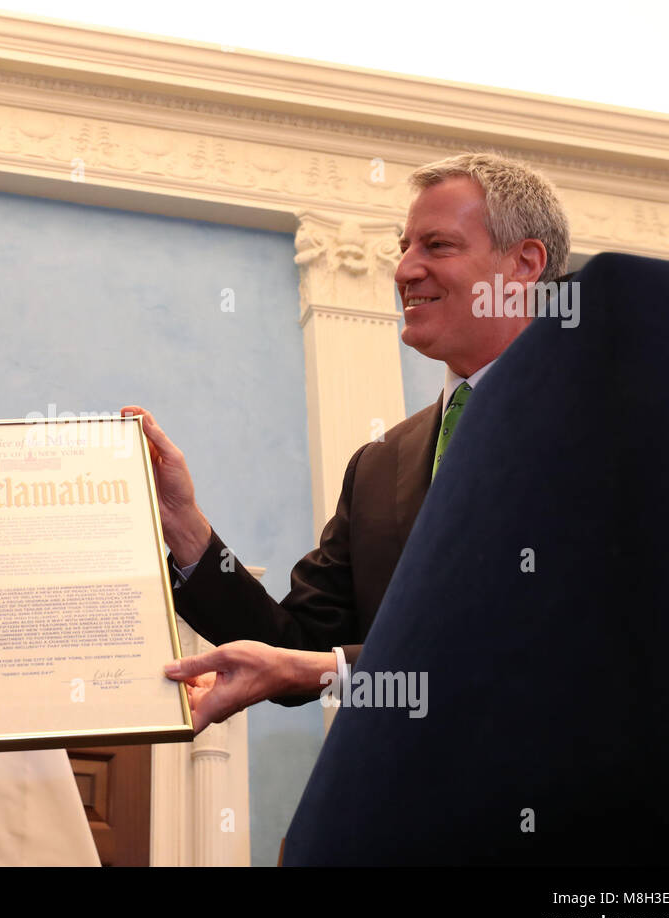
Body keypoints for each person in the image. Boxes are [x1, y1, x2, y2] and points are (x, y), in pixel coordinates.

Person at [125, 153, 571, 732]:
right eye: (405, 246)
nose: (405, 269)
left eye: (437, 246)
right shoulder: (380, 464)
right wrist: (183, 524)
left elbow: (545, 635)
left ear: (524, 263)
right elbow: (294, 646)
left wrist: (329, 668)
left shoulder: (607, 424)